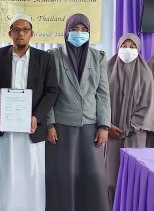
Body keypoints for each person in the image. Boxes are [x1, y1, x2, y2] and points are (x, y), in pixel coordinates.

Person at [0, 13, 59, 211]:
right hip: (5, 127)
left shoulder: (45, 58)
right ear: (10, 33)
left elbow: (52, 90)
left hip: (31, 128)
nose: (21, 33)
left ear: (31, 34)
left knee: (30, 174)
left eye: (25, 30)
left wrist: (37, 116)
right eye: (16, 29)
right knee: (5, 173)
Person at [46, 13, 110, 211]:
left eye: (84, 30)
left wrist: (104, 125)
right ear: (66, 31)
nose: (79, 34)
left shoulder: (98, 57)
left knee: (93, 175)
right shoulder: (53, 56)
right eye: (75, 29)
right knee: (62, 175)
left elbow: (103, 93)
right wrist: (50, 123)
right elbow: (48, 93)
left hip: (91, 126)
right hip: (62, 126)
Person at [105, 33, 154, 206]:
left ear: (138, 49)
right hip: (109, 134)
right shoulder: (107, 68)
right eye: (124, 46)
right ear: (118, 47)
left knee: (132, 177)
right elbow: (99, 100)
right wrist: (108, 124)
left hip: (135, 134)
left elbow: (148, 105)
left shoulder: (145, 73)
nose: (128, 50)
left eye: (132, 47)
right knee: (109, 177)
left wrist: (129, 127)